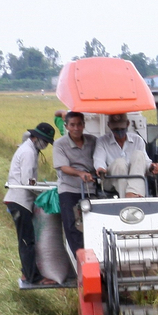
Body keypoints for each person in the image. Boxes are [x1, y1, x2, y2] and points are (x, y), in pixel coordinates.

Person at [3, 122, 56, 285]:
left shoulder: (30, 149)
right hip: (19, 201)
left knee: (26, 239)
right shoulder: (28, 152)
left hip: (19, 200)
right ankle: (34, 277)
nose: (46, 145)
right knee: (27, 241)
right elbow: (27, 181)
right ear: (37, 138)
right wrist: (42, 191)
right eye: (45, 141)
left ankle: (27, 273)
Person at [53, 111, 96, 259]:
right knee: (72, 226)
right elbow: (63, 167)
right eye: (72, 125)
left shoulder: (93, 141)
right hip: (69, 189)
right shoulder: (60, 144)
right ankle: (81, 259)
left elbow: (100, 160)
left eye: (79, 124)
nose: (76, 128)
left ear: (84, 125)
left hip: (90, 189)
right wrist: (80, 173)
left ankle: (96, 257)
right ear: (66, 126)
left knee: (93, 224)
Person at [94, 113, 158, 198]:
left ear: (128, 124)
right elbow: (99, 160)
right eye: (115, 129)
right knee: (120, 162)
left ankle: (131, 194)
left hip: (133, 177)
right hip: (111, 180)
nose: (119, 131)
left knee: (139, 154)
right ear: (109, 126)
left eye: (122, 128)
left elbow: (145, 162)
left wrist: (152, 167)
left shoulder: (138, 140)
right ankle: (131, 197)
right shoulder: (102, 141)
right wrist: (100, 168)